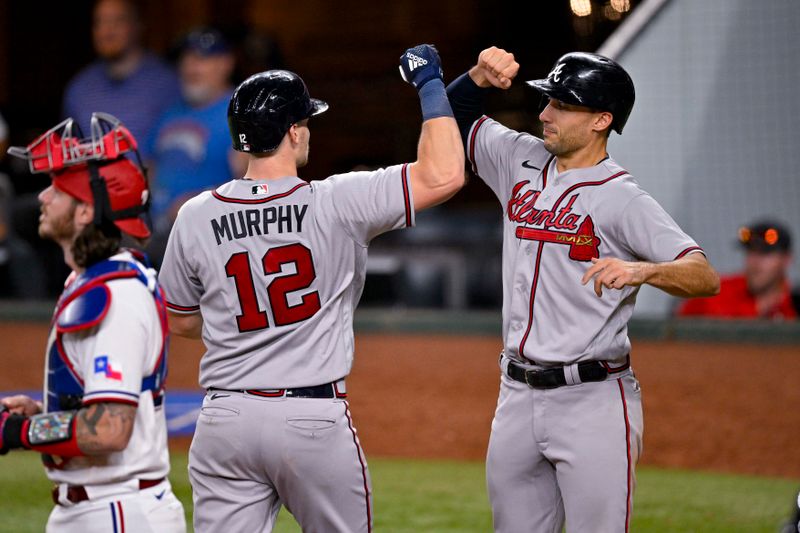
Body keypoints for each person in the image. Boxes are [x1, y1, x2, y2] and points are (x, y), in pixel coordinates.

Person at [157, 44, 463, 532]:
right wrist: (429, 83)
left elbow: (178, 318)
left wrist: (237, 326)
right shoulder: (338, 201)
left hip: (224, 420)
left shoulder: (195, 215)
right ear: (294, 132)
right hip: (310, 419)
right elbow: (444, 174)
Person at [445, 48, 720, 532]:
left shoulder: (622, 197)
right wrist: (478, 77)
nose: (545, 113)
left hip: (592, 401)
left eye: (562, 105)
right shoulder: (519, 159)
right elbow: (451, 115)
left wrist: (644, 271)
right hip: (515, 395)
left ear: (601, 120)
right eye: (547, 100)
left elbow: (702, 275)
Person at [0, 113, 185, 532]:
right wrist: (42, 413)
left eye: (57, 189)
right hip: (102, 507)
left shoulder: (115, 295)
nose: (43, 198)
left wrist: (18, 431)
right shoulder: (94, 280)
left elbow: (107, 431)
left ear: (85, 211)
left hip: (117, 511)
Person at [147, 27, 246, 264]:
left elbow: (254, 186)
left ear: (226, 63)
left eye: (201, 59)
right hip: (154, 230)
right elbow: (149, 165)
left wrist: (199, 205)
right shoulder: (171, 112)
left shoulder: (240, 113)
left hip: (210, 239)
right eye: (187, 58)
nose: (191, 67)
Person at [62, 0, 180, 159]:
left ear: (138, 26)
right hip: (93, 181)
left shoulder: (167, 83)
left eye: (118, 20)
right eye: (100, 22)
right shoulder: (78, 89)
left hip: (152, 182)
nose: (108, 31)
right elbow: (68, 154)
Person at [678, 219, 796, 319]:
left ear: (786, 259)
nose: (755, 262)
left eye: (765, 253)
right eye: (751, 251)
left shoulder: (794, 306)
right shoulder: (714, 292)